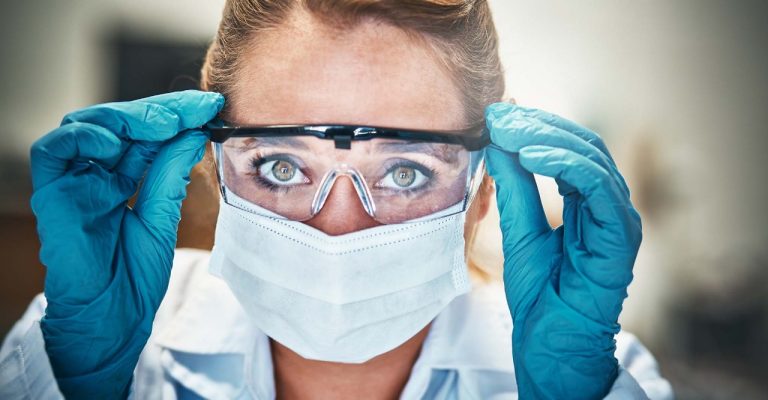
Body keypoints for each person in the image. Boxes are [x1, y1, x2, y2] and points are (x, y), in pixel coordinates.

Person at [0, 0, 673, 399]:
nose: (338, 229)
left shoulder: (605, 376)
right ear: (208, 162)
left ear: (483, 187)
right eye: (283, 165)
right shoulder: (83, 356)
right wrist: (82, 385)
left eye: (405, 172)